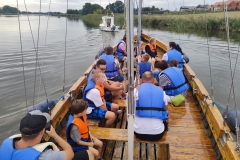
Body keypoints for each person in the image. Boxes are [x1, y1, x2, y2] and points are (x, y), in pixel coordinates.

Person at [0, 110, 92, 160]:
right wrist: (55, 135)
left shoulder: (7, 142)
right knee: (88, 154)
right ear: (42, 132)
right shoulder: (45, 156)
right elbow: (70, 153)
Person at [134, 71, 168, 141]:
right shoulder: (162, 92)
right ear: (154, 80)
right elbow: (166, 110)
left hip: (138, 133)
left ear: (141, 80)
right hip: (157, 134)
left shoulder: (135, 91)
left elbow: (129, 111)